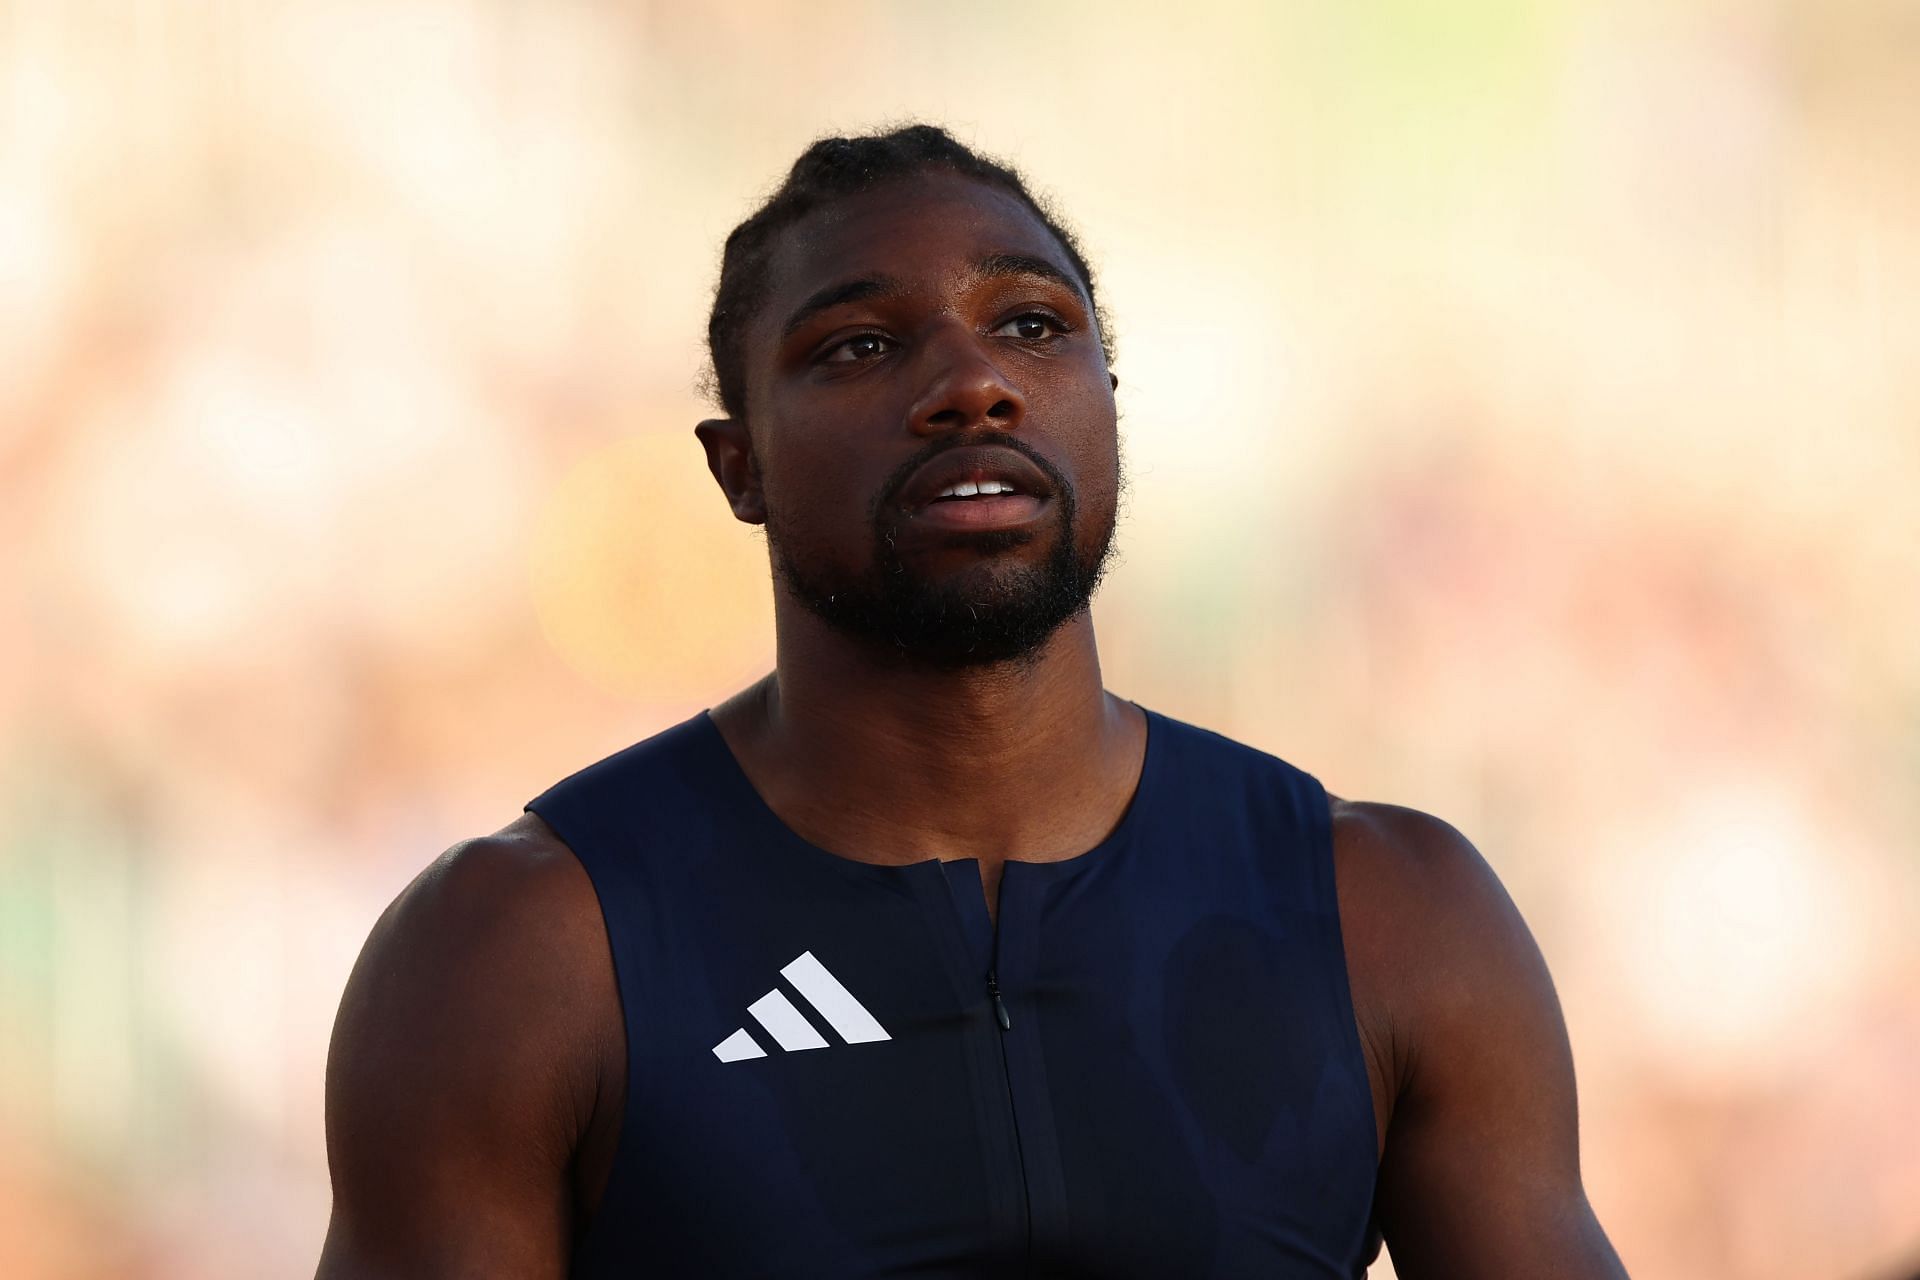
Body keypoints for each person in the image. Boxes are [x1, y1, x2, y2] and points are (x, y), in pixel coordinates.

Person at [317, 125, 1630, 1279]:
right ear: (740, 467)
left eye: (1032, 327)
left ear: (1108, 403)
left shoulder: (1392, 912)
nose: (971, 383)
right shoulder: (521, 950)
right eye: (864, 345)